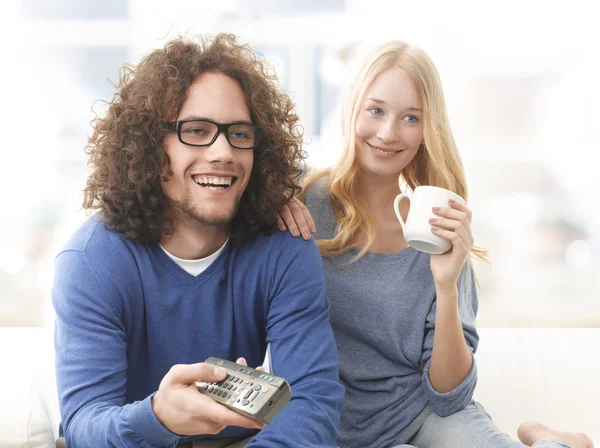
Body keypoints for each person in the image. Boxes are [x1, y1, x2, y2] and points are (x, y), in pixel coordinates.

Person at [278, 40, 594, 448]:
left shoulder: (439, 224)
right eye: (376, 110)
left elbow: (449, 396)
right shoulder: (302, 205)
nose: (389, 133)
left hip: (423, 413)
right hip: (330, 422)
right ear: (352, 107)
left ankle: (555, 440)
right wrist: (272, 200)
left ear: (427, 130)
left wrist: (446, 284)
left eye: (411, 118)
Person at [52, 33, 344, 448]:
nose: (223, 151)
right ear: (150, 147)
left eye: (239, 133)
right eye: (197, 130)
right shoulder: (91, 262)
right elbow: (85, 425)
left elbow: (312, 404)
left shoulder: (285, 248)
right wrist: (159, 418)